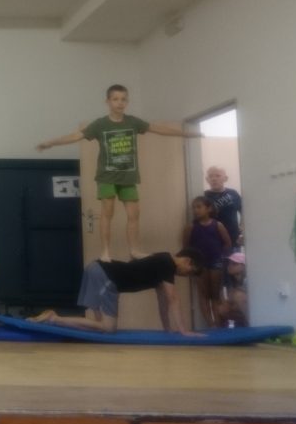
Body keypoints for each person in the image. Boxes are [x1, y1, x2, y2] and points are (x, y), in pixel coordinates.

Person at [36, 84, 201, 262]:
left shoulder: (132, 122)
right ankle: (105, 252)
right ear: (108, 101)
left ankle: (134, 250)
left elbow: (157, 129)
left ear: (127, 101)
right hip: (107, 176)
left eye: (123, 99)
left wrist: (185, 134)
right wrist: (51, 143)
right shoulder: (100, 124)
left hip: (128, 176)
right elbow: (76, 136)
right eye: (115, 99)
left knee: (134, 214)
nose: (120, 103)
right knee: (108, 212)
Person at [28, 249, 204, 336]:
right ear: (187, 261)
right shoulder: (167, 263)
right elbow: (173, 299)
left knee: (99, 328)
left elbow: (163, 301)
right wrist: (184, 331)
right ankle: (54, 318)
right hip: (106, 275)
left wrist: (168, 330)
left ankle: (53, 321)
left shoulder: (163, 263)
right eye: (190, 272)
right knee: (108, 328)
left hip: (97, 269)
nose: (185, 275)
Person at [184, 196, 232, 326]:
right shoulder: (190, 227)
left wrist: (222, 257)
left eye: (199, 207)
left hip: (216, 262)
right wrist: (191, 264)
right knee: (204, 294)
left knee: (215, 294)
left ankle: (219, 322)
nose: (196, 210)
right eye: (194, 208)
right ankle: (211, 324)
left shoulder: (218, 225)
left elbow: (227, 243)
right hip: (199, 264)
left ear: (208, 208)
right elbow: (186, 247)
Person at [204, 166, 244, 250]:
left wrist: (243, 232)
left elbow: (244, 212)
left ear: (225, 178)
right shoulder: (204, 196)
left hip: (234, 239)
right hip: (212, 240)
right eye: (211, 176)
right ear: (207, 179)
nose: (214, 179)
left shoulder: (233, 193)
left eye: (218, 176)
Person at [216, 251, 248, 327]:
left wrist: (232, 303)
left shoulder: (247, 280)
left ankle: (250, 323)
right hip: (241, 308)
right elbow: (229, 298)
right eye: (229, 263)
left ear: (243, 266)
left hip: (252, 310)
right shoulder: (233, 281)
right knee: (221, 309)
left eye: (234, 264)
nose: (230, 266)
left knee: (238, 296)